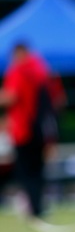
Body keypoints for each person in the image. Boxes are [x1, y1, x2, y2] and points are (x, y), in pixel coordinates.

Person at [0, 43, 59, 219]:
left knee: (25, 171)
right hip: (40, 129)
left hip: (23, 129)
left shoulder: (17, 71)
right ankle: (38, 206)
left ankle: (32, 207)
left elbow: (11, 96)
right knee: (37, 170)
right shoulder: (41, 69)